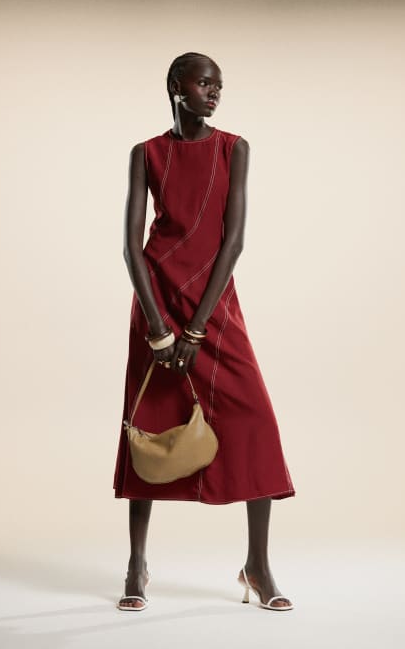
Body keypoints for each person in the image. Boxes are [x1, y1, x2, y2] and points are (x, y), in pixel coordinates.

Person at [113, 52, 296, 612]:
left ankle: (258, 566)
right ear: (177, 86)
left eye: (219, 85)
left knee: (254, 420)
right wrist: (159, 328)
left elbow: (233, 241)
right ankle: (136, 564)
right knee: (150, 424)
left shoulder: (233, 148)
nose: (214, 92)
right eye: (204, 83)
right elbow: (131, 246)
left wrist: (195, 331)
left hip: (213, 306)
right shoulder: (146, 153)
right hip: (157, 304)